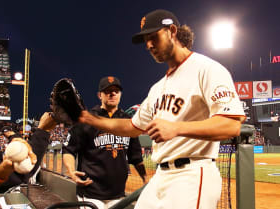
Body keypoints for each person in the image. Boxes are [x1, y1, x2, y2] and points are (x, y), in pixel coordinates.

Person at [78, 9, 245, 209]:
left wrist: (177, 128)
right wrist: (87, 118)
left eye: (153, 37)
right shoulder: (157, 88)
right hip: (161, 176)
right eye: (145, 40)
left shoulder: (207, 69)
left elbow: (231, 125)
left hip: (192, 174)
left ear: (172, 31)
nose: (148, 45)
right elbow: (131, 126)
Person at [63, 76, 146, 209]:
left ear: (120, 95)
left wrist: (145, 177)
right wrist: (71, 170)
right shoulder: (88, 119)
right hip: (91, 193)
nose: (112, 93)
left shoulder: (128, 122)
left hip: (118, 194)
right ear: (99, 95)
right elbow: (69, 150)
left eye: (116, 91)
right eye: (107, 91)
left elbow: (135, 157)